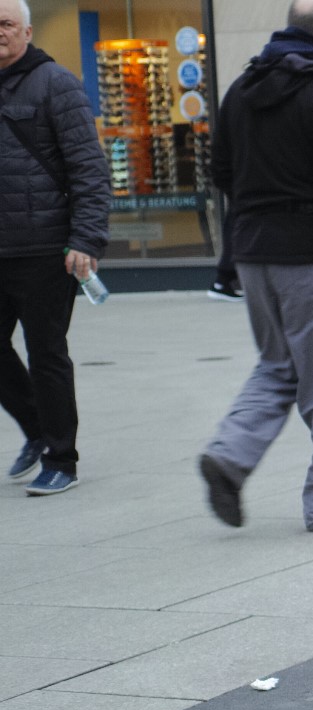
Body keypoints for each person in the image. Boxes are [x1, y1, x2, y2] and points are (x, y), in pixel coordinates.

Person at [198, 0, 313, 529]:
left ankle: (228, 455)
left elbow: (221, 172)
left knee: (279, 364)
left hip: (255, 254)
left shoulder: (240, 92)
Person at [0, 0, 110, 497]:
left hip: (45, 248)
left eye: (5, 24)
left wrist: (85, 238)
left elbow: (89, 168)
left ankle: (61, 459)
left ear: (26, 30)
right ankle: (37, 428)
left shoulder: (56, 83)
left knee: (47, 354)